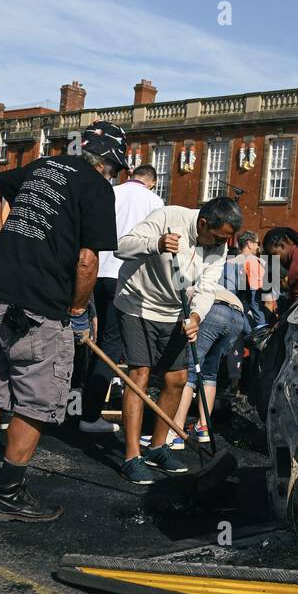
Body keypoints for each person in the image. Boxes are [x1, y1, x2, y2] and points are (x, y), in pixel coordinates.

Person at [0, 122, 119, 524]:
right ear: (107, 163)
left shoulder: (43, 167)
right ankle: (7, 494)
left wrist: (0, 238)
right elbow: (87, 261)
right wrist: (77, 312)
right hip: (42, 306)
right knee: (37, 400)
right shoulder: (96, 188)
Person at [113, 197, 242, 484]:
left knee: (178, 378)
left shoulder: (218, 245)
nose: (221, 244)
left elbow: (207, 287)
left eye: (226, 240)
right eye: (218, 237)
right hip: (138, 304)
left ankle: (157, 448)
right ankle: (132, 457)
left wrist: (196, 317)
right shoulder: (169, 216)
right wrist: (155, 244)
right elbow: (121, 246)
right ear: (203, 223)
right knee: (139, 375)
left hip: (176, 311)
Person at [79, 162, 163, 434]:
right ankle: (90, 415)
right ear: (152, 182)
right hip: (125, 278)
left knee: (101, 339)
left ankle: (88, 408)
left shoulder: (111, 192)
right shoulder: (154, 200)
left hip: (97, 273)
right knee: (113, 347)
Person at [171, 286, 246, 444]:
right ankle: (203, 427)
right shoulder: (209, 281)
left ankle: (175, 432)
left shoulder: (187, 284)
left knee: (188, 371)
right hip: (238, 315)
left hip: (214, 309)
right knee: (210, 372)